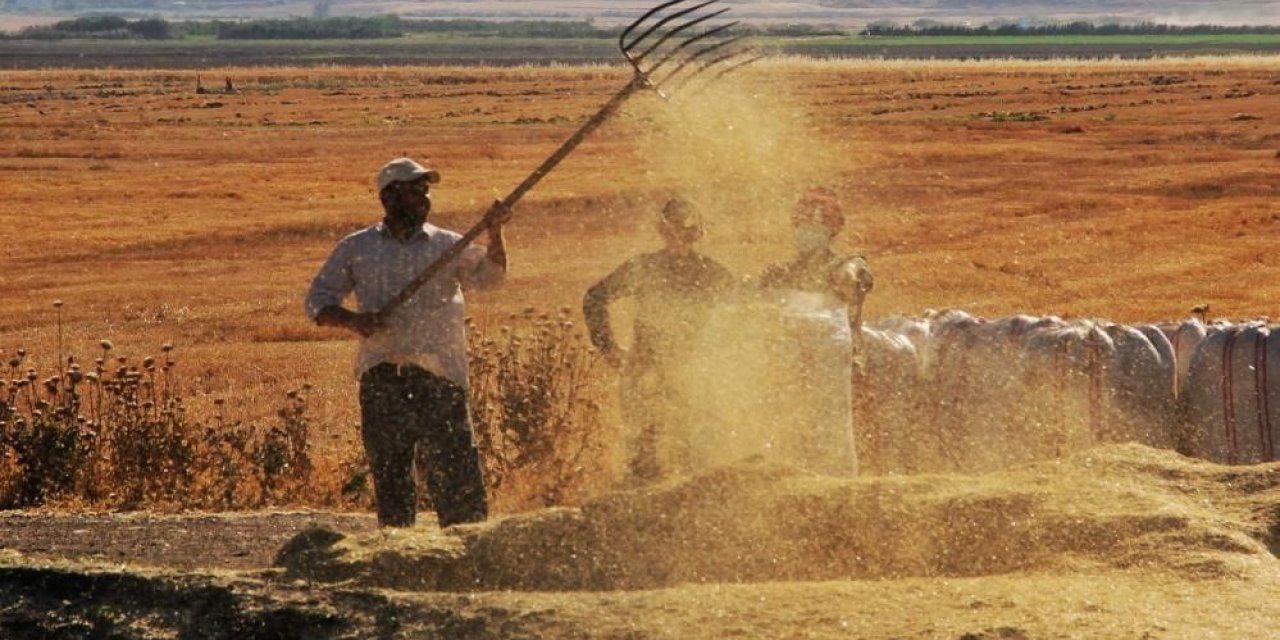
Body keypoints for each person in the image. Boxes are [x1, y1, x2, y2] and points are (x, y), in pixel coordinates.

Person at [305, 157, 511, 528]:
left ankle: (469, 557)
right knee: (392, 477)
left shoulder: (448, 245)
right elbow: (318, 302)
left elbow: (491, 280)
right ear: (388, 197)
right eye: (413, 190)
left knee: (458, 477)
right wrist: (355, 320)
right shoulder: (357, 248)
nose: (423, 198)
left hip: (440, 376)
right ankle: (398, 558)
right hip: (384, 376)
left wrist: (495, 233)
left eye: (424, 190)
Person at [583, 198, 734, 484]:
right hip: (646, 374)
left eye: (687, 228)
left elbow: (741, 311)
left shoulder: (711, 273)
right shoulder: (644, 268)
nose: (679, 234)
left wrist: (723, 359)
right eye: (673, 226)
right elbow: (594, 298)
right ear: (662, 230)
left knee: (693, 456)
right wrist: (610, 348)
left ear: (699, 233)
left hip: (692, 375)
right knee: (644, 457)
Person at [755, 186, 873, 476]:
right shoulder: (778, 273)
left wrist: (850, 274)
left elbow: (857, 278)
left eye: (814, 225)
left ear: (831, 230)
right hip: (786, 366)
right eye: (801, 224)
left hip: (835, 369)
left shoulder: (847, 265)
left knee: (834, 436)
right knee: (788, 433)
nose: (805, 232)